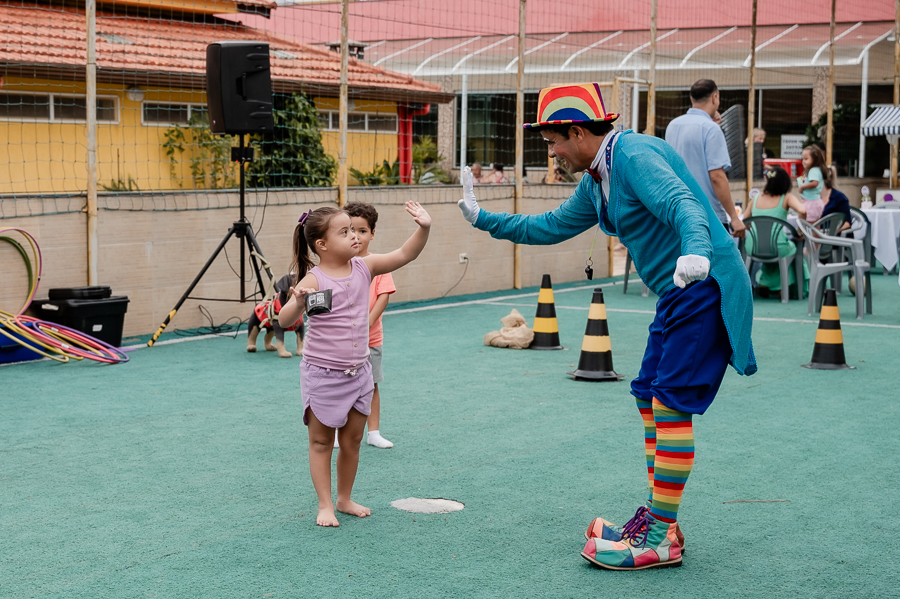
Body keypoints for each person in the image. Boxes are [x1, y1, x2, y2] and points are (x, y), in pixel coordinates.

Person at [457, 83, 756, 570]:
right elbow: (548, 226)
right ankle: (662, 521)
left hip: (706, 284)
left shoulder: (633, 156)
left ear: (577, 132)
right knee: (647, 396)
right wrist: (481, 217)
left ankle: (659, 537)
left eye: (552, 142)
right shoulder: (598, 179)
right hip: (678, 293)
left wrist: (698, 250)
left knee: (670, 403)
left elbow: (684, 204)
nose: (551, 152)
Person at [277, 202, 431, 527]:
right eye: (345, 232)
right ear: (322, 244)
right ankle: (325, 505)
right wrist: (299, 302)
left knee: (352, 441)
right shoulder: (314, 279)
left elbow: (405, 254)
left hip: (359, 373)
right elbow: (284, 319)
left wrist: (424, 227)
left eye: (355, 230)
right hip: (322, 376)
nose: (354, 236)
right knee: (321, 443)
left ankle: (344, 498)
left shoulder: (365, 267)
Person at [665, 79, 746, 239]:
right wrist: (734, 217)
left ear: (691, 98)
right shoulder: (711, 129)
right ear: (715, 98)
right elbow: (717, 177)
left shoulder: (673, 126)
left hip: (678, 211)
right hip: (708, 215)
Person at [344, 202, 397, 449]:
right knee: (341, 387)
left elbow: (384, 296)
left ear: (372, 233)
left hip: (370, 339)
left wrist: (366, 325)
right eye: (350, 230)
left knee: (371, 385)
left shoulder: (379, 263)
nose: (356, 236)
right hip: (342, 341)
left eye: (363, 231)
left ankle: (373, 431)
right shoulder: (339, 263)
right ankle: (337, 432)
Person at [741, 167, 809, 297]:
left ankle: (765, 283)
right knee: (792, 250)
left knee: (778, 251)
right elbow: (803, 211)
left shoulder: (756, 198)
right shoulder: (786, 197)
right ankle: (785, 288)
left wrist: (755, 231)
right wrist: (800, 232)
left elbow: (745, 220)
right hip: (777, 247)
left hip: (753, 246)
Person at [798, 145, 826, 222]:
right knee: (815, 225)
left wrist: (802, 187)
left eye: (806, 159)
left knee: (807, 224)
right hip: (814, 202)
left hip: (811, 204)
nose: (803, 161)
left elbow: (814, 183)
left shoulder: (813, 170)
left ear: (815, 159)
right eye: (802, 159)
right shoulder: (817, 170)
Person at [821, 166, 851, 233]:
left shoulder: (839, 197)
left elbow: (847, 223)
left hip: (836, 237)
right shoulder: (814, 198)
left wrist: (831, 233)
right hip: (816, 235)